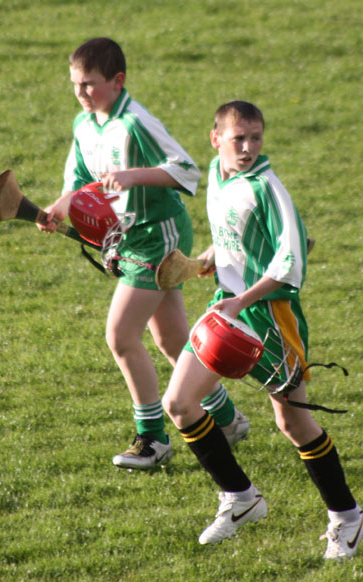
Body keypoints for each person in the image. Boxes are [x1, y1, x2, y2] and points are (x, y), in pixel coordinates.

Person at [162, 101, 363, 558]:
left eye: (256, 137)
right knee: (178, 403)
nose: (249, 147)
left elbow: (291, 263)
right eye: (239, 138)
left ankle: (348, 518)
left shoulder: (269, 189)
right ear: (215, 138)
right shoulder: (220, 175)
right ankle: (240, 499)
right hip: (227, 310)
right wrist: (210, 259)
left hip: (272, 318)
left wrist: (242, 297)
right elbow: (232, 233)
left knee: (292, 421)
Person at [38, 38, 249, 470]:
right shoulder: (84, 124)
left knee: (120, 336)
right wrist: (58, 208)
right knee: (171, 339)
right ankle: (227, 419)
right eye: (76, 85)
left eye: (90, 85)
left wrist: (133, 177)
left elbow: (186, 169)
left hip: (158, 236)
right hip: (128, 239)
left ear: (118, 81)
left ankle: (153, 439)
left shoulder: (135, 122)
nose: (81, 94)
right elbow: (78, 180)